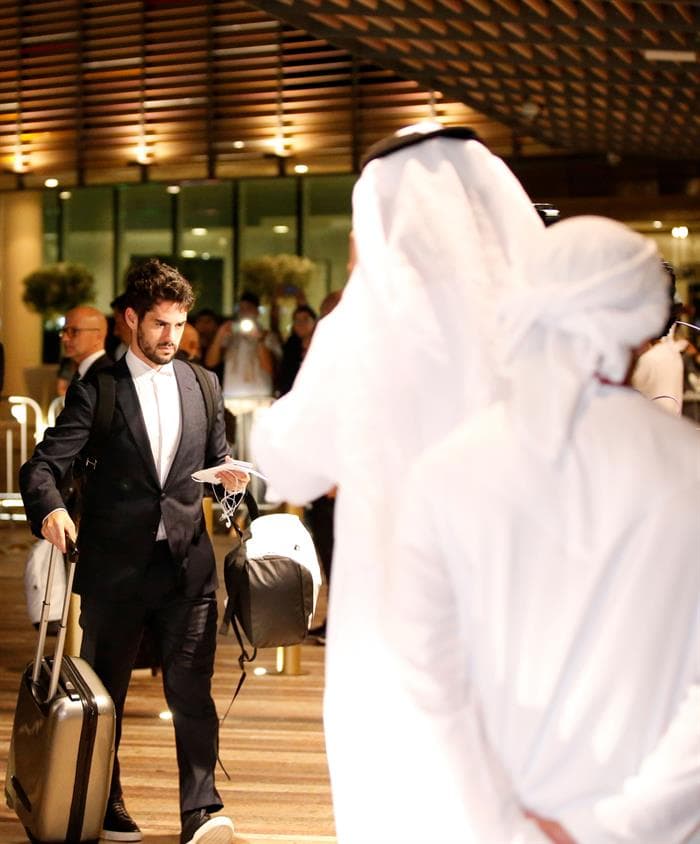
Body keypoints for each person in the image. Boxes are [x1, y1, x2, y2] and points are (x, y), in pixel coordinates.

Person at [251, 123, 543, 843]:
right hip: (530, 618)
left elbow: (287, 462)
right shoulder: (544, 322)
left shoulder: (367, 324)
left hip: (398, 626)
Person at [386, 217, 700, 843]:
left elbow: (422, 677)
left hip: (476, 819)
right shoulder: (689, 468)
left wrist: (504, 823)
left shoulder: (444, 471)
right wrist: (618, 827)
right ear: (644, 317)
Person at [20, 259, 248, 844]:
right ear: (130, 321)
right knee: (107, 697)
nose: (172, 337)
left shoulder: (204, 383)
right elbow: (43, 465)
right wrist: (51, 509)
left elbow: (217, 465)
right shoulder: (98, 390)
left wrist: (231, 487)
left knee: (192, 692)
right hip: (115, 571)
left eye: (178, 324)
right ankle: (107, 803)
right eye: (159, 325)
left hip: (186, 567)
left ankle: (201, 808)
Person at [275, 304, 317, 397]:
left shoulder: (320, 345)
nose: (300, 324)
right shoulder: (290, 348)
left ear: (314, 322)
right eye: (297, 320)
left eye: (305, 319)